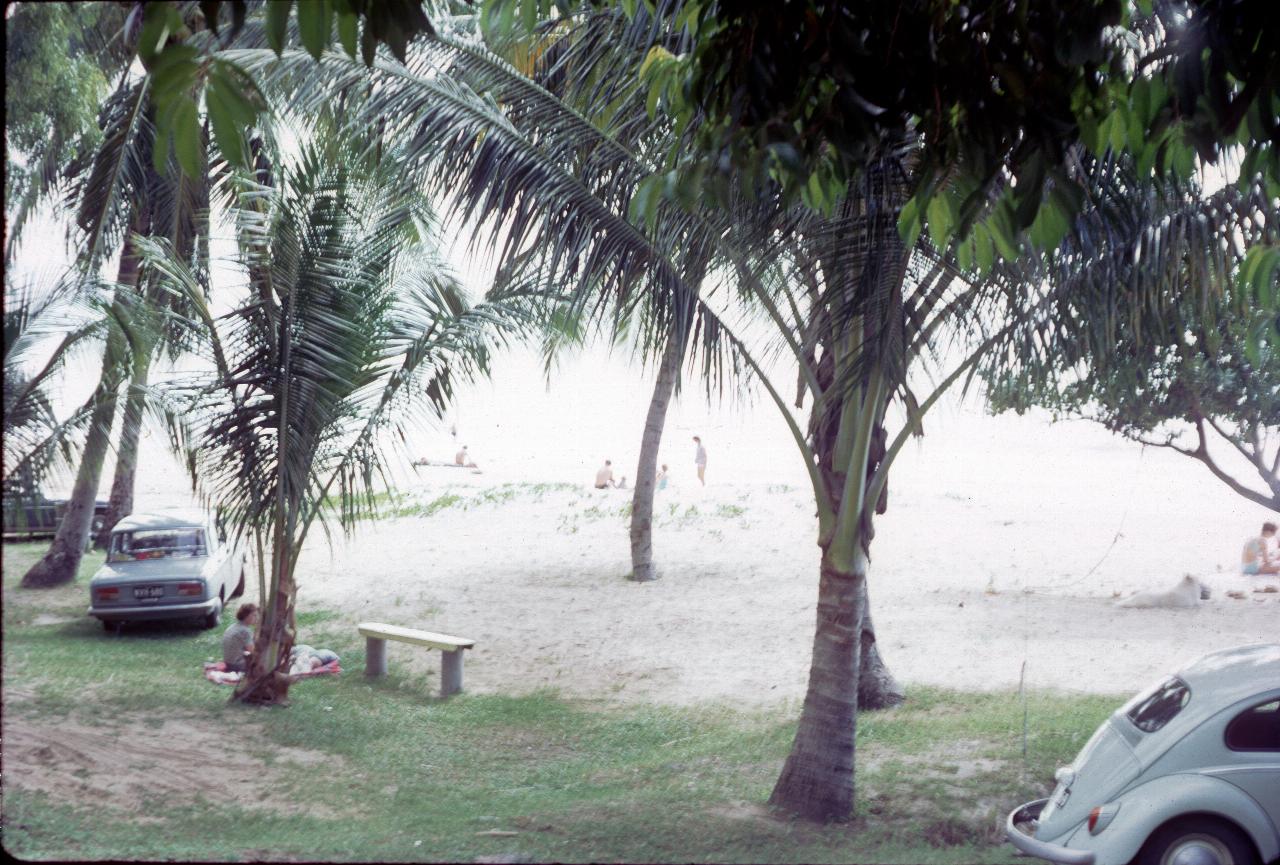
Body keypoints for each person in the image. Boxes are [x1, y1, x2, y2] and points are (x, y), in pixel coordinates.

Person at [221, 603, 258, 673]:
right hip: (237, 666)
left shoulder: (233, 626)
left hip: (227, 663)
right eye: (254, 615)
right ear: (247, 616)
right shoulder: (245, 631)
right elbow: (253, 651)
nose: (256, 618)